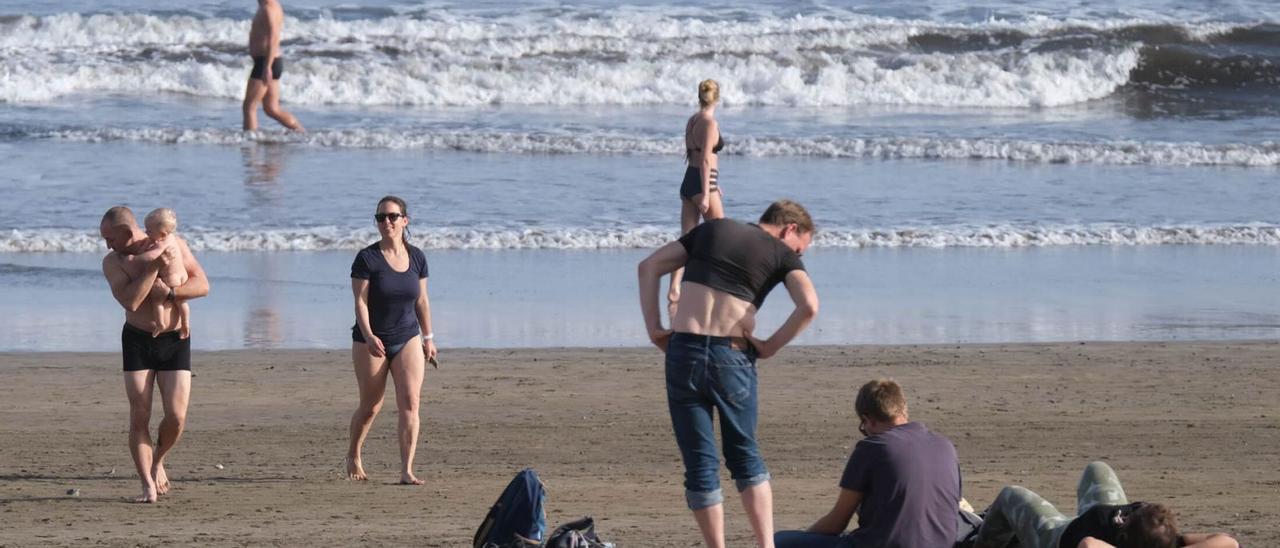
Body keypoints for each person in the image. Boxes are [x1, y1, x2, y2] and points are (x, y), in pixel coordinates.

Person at [638, 199, 820, 548]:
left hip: (684, 352)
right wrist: (770, 346)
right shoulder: (781, 254)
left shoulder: (711, 230)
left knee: (700, 465)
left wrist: (654, 328)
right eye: (800, 248)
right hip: (731, 355)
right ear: (790, 229)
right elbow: (809, 305)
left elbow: (649, 267)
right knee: (745, 457)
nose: (799, 254)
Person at [99, 206, 210, 503]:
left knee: (176, 416)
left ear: (127, 232)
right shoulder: (113, 262)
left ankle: (158, 459)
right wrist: (153, 267)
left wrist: (172, 295)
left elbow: (202, 285)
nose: (107, 244)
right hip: (137, 340)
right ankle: (147, 483)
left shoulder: (175, 244)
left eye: (110, 238)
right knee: (140, 415)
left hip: (175, 339)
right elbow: (132, 301)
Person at [775, 379, 961, 548]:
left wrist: (805, 537)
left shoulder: (873, 447)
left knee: (780, 541)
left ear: (868, 420)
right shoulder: (945, 446)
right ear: (903, 408)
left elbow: (837, 522)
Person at [346, 195, 439, 485]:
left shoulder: (417, 257)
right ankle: (353, 453)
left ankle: (406, 470)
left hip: (407, 336)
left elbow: (422, 300)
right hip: (370, 340)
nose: (386, 222)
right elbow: (360, 303)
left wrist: (429, 337)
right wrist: (370, 335)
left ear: (404, 221)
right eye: (380, 217)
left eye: (392, 216)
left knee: (410, 402)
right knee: (371, 405)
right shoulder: (367, 258)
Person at [975, 461, 1240, 548]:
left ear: (1124, 531)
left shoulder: (1103, 542)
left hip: (1056, 535)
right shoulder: (1166, 540)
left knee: (1010, 495)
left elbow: (1088, 544)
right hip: (1095, 515)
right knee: (1097, 468)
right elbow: (1229, 542)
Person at [668, 79, 726, 320]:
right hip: (703, 183)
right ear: (717, 98)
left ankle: (674, 289)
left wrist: (714, 184)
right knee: (722, 235)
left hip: (690, 180)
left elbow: (695, 157)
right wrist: (706, 192)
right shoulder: (710, 122)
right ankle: (717, 287)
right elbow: (705, 159)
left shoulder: (692, 120)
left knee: (686, 241)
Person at [243, 0, 304, 131]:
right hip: (270, 62)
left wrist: (267, 67)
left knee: (249, 106)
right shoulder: (269, 6)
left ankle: (249, 142)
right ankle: (301, 132)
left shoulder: (268, 9)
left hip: (266, 63)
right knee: (272, 108)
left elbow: (274, 38)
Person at [132, 208, 191, 338]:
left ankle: (160, 324)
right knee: (182, 303)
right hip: (182, 275)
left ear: (163, 234)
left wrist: (136, 257)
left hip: (171, 278)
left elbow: (150, 256)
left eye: (149, 231)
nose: (146, 233)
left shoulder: (161, 245)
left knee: (157, 302)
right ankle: (186, 324)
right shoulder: (173, 239)